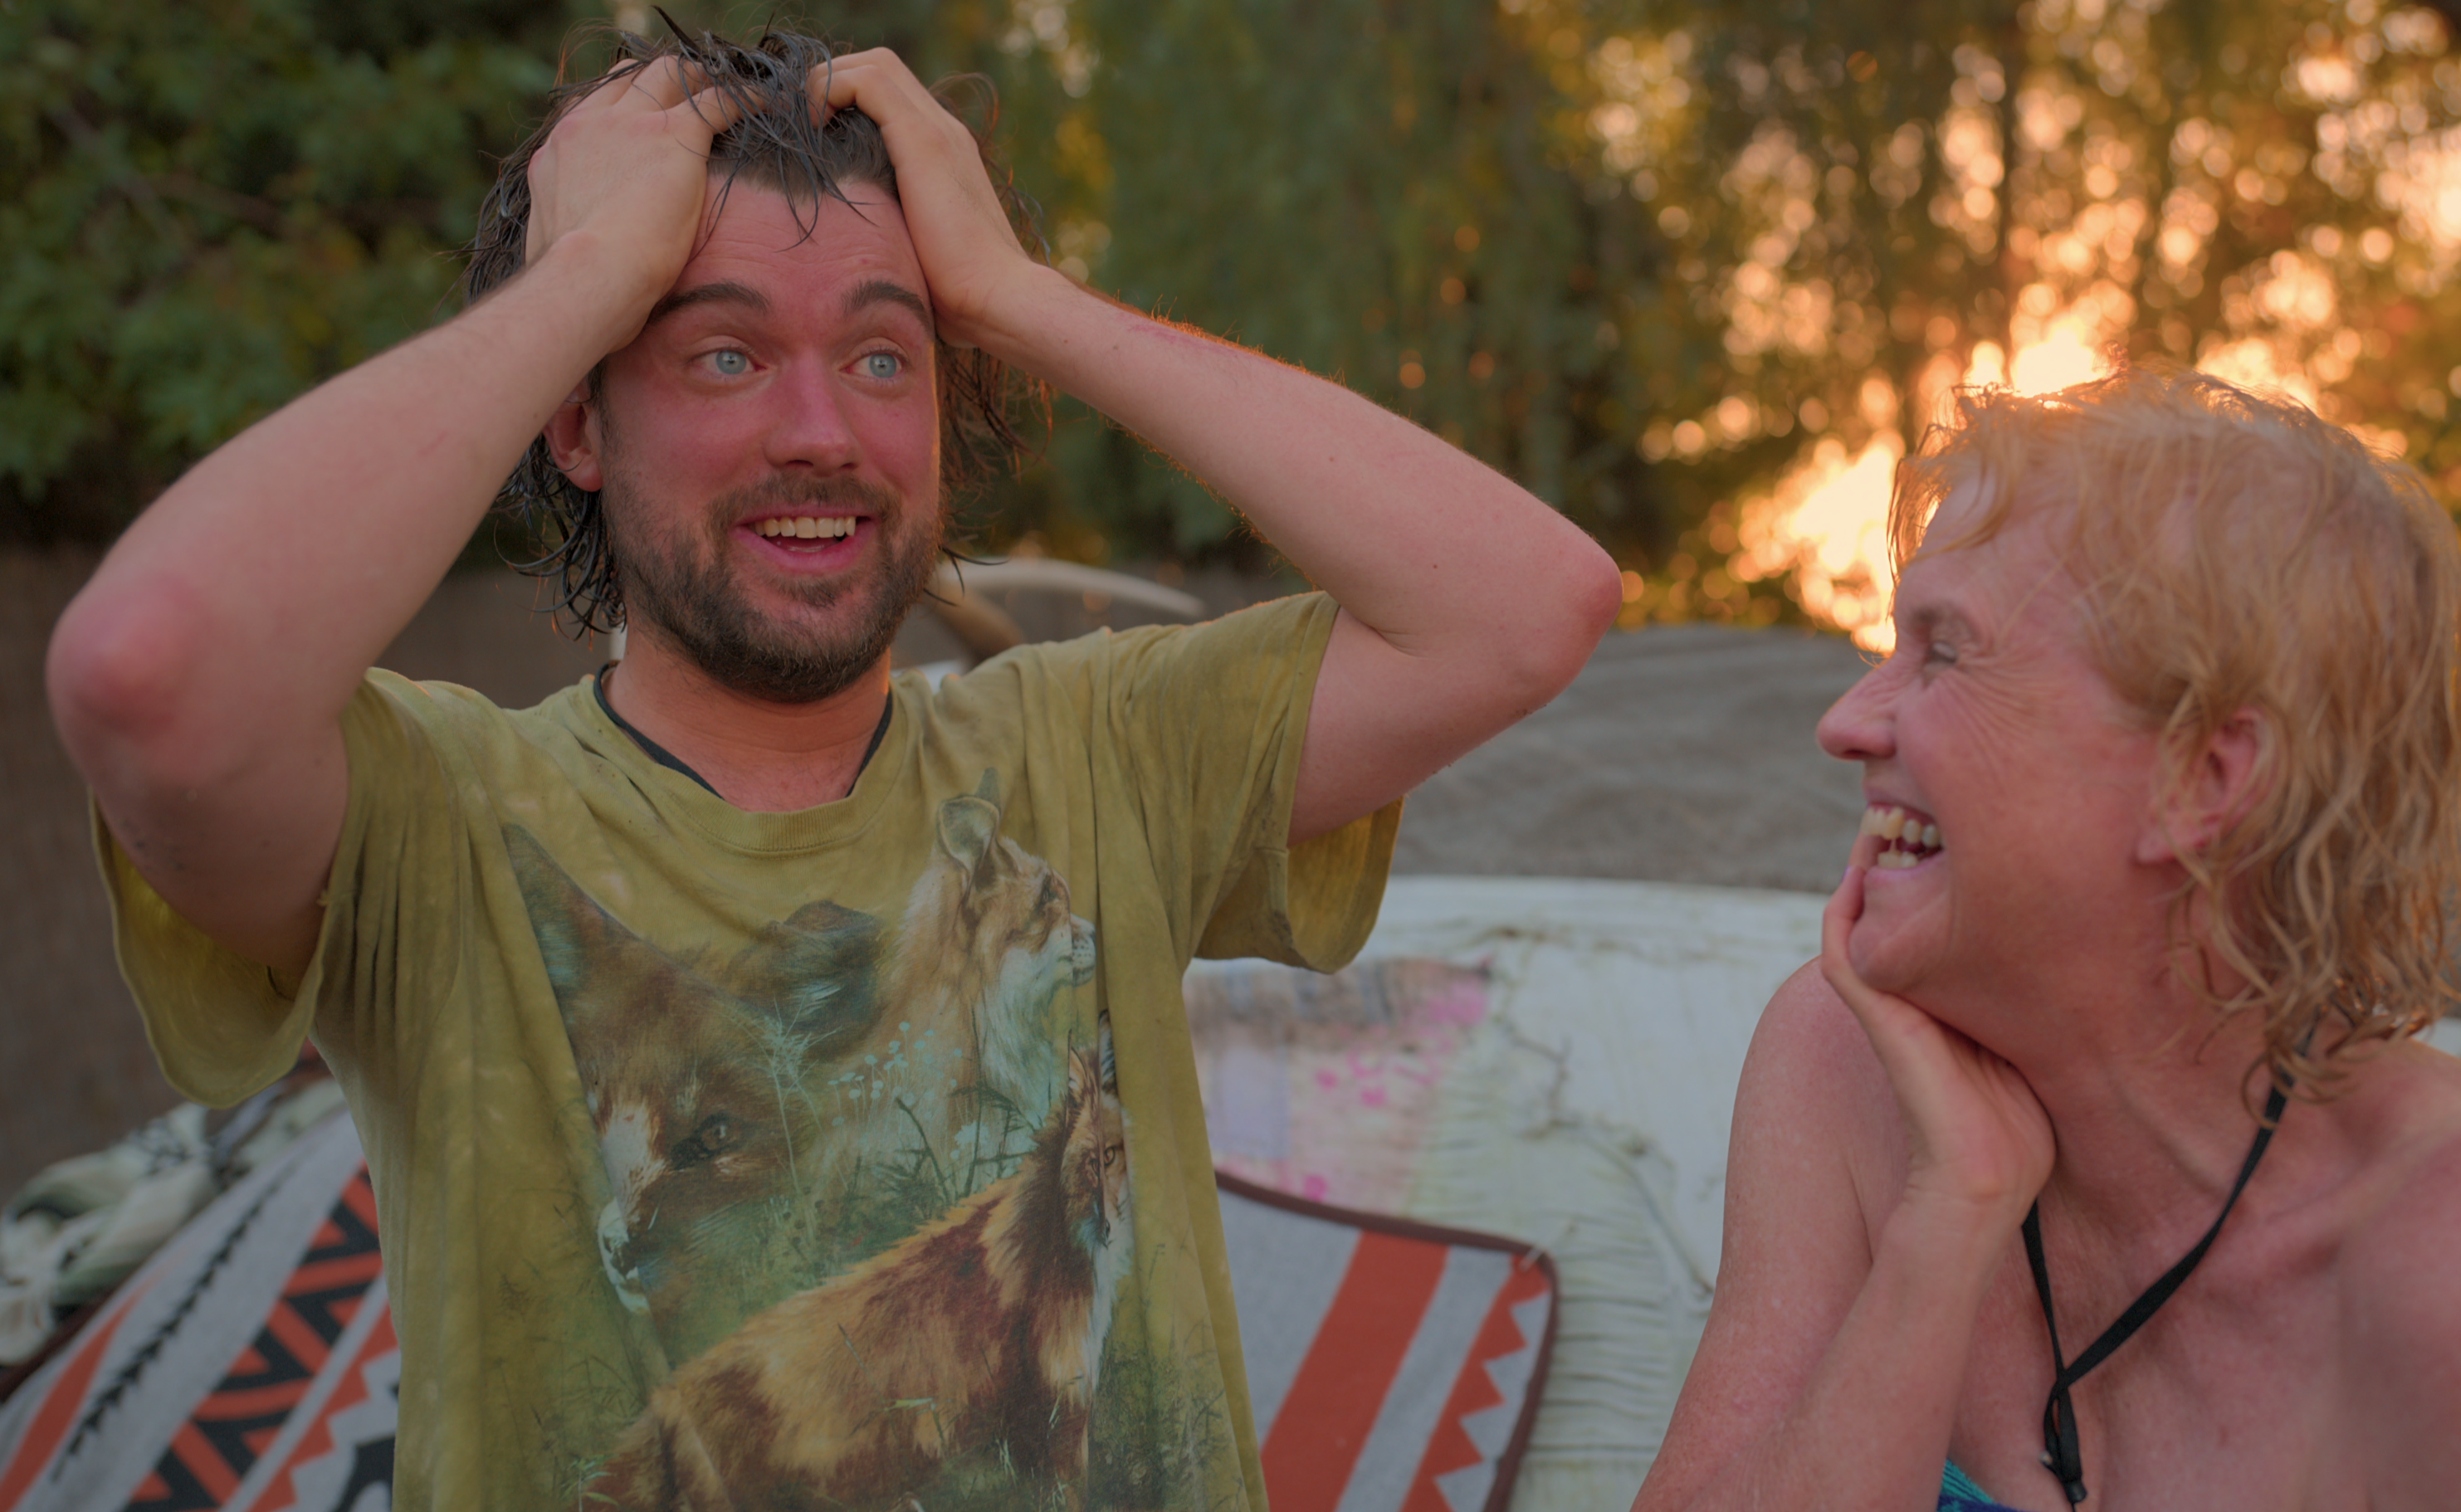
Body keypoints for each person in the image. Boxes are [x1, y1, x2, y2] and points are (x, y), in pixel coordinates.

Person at [45, 26, 1618, 1511]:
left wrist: (1011, 290)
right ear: (577, 421)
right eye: (721, 356)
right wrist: (583, 274)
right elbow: (151, 676)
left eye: (884, 357)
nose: (824, 432)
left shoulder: (1102, 749)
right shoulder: (434, 819)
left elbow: (1523, 607)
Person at [1634, 368, 2461, 1512]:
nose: (1845, 720)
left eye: (1942, 653)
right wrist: (1945, 1224)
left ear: (2199, 778)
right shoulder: (1842, 1061)